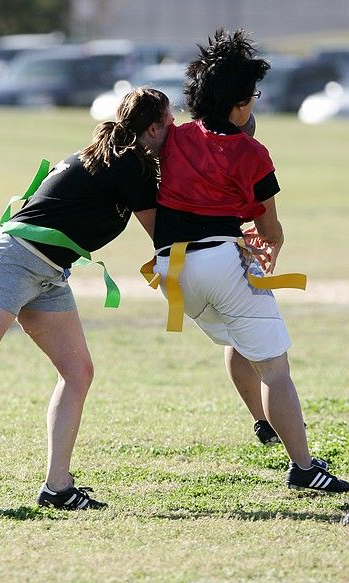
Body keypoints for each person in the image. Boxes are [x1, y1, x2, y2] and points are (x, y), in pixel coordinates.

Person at [0, 87, 174, 510]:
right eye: (170, 122)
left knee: (78, 371)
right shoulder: (130, 163)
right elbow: (165, 235)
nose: (174, 130)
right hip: (14, 259)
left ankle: (57, 487)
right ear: (153, 127)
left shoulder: (120, 154)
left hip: (49, 271)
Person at [152, 28, 349, 493]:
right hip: (219, 262)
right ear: (241, 104)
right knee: (275, 368)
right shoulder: (252, 151)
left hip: (170, 272)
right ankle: (303, 467)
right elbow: (269, 228)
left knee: (240, 339)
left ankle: (263, 423)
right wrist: (269, 250)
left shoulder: (175, 137)